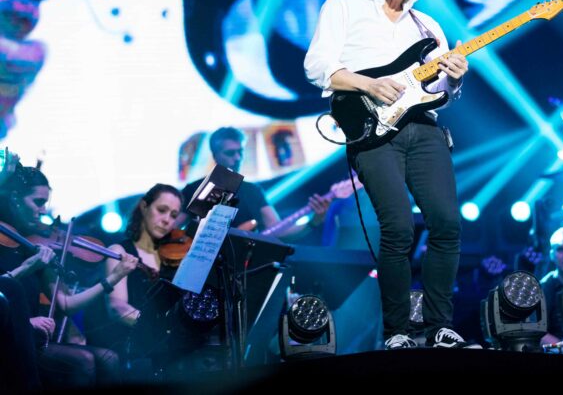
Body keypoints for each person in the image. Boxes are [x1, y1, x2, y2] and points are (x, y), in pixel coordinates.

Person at [304, 0, 475, 349]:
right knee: (397, 227)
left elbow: (440, 93)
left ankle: (439, 326)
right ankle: (397, 331)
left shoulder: (428, 26)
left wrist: (455, 79)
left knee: (447, 223)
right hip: (371, 128)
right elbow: (316, 66)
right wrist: (368, 84)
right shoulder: (344, 5)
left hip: (425, 129)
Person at [0, 164, 138, 387]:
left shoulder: (36, 246)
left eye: (45, 203)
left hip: (30, 339)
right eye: (38, 202)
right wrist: (26, 320)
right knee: (83, 361)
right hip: (9, 336)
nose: (43, 211)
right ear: (15, 199)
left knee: (109, 359)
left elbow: (66, 303)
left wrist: (113, 278)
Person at [88, 184, 183, 364]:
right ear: (144, 207)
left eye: (173, 215)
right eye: (161, 210)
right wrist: (162, 327)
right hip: (129, 346)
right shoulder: (119, 251)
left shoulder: (173, 259)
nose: (167, 220)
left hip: (163, 346)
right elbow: (117, 307)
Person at [181, 127, 329, 236]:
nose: (237, 158)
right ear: (215, 155)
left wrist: (313, 221)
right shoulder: (194, 188)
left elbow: (278, 231)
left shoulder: (252, 191)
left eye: (240, 152)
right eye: (230, 153)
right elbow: (173, 227)